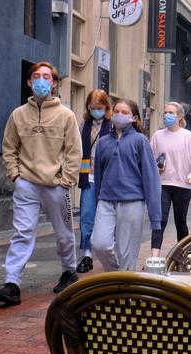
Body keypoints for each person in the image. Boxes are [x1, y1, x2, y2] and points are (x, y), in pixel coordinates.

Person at [0, 61, 81, 305]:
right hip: (27, 185)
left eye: (47, 77)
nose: (42, 81)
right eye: (36, 76)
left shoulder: (66, 116)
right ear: (30, 82)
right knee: (22, 232)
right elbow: (9, 147)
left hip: (56, 186)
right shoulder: (18, 115)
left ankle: (68, 270)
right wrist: (15, 176)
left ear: (53, 83)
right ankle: (12, 283)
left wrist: (66, 182)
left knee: (63, 233)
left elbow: (74, 151)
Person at [91, 99, 161, 271]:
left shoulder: (140, 141)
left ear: (134, 117)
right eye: (117, 111)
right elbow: (99, 176)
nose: (119, 115)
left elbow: (151, 179)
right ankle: (116, 274)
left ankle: (124, 290)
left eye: (125, 112)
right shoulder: (103, 142)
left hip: (132, 202)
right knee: (99, 244)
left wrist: (155, 218)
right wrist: (97, 202)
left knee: (127, 253)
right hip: (106, 201)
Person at [150, 102, 191, 257]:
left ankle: (183, 254)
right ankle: (155, 258)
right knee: (159, 220)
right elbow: (150, 158)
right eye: (165, 112)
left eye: (171, 113)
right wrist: (155, 166)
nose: (167, 115)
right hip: (163, 184)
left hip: (183, 185)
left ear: (180, 116)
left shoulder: (188, 137)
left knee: (180, 221)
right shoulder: (157, 136)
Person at [76, 89, 112, 273]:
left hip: (108, 178)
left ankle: (111, 252)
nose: (96, 110)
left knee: (107, 216)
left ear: (106, 106)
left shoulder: (112, 125)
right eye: (92, 107)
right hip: (88, 176)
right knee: (87, 215)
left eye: (99, 107)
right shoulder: (84, 124)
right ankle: (88, 255)